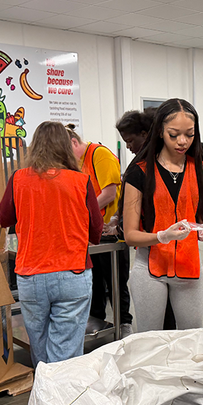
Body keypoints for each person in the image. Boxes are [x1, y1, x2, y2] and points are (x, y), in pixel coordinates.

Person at [0, 121, 102, 366]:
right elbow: (95, 231)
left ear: (34, 147)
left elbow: (5, 218)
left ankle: (45, 397)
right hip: (72, 272)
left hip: (31, 275)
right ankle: (63, 399)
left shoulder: (18, 179)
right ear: (66, 147)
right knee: (65, 352)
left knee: (40, 347)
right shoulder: (80, 180)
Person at [121, 98, 203, 332]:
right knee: (150, 340)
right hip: (149, 268)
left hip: (189, 267)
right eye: (174, 134)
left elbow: (202, 223)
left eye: (189, 134)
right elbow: (130, 235)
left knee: (191, 338)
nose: (182, 141)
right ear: (159, 132)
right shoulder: (139, 173)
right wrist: (161, 236)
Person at [114, 107, 178, 331]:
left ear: (146, 133)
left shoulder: (167, 166)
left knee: (169, 319)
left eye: (131, 141)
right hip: (152, 250)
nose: (129, 147)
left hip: (172, 252)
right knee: (157, 321)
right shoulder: (139, 168)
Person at [66, 126, 131, 337]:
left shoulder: (98, 154)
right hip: (92, 233)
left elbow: (109, 193)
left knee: (116, 282)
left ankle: (124, 326)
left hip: (109, 231)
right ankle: (98, 326)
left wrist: (83, 212)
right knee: (94, 283)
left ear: (74, 142)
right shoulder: (78, 162)